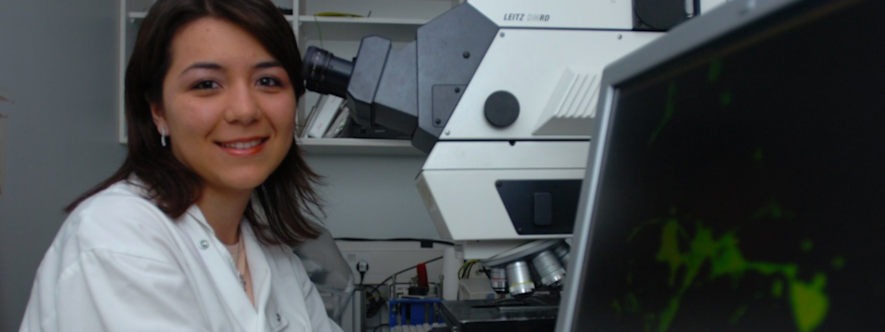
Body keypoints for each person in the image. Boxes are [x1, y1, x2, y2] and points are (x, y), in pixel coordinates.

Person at [19, 0, 342, 331]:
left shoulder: (275, 258)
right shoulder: (117, 236)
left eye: (268, 81)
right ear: (158, 111)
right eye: (206, 84)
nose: (245, 111)